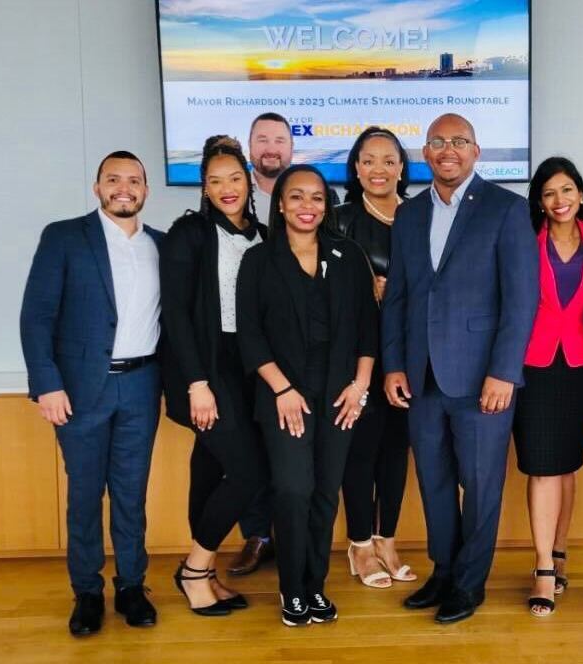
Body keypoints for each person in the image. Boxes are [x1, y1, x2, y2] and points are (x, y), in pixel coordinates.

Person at [382, 113, 539, 624]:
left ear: (476, 151)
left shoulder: (506, 209)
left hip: (481, 381)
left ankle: (470, 584)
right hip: (421, 376)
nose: (447, 150)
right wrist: (393, 365)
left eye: (458, 141)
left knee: (481, 484)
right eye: (437, 142)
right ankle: (443, 571)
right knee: (433, 480)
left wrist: (504, 372)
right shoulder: (407, 215)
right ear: (425, 153)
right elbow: (399, 298)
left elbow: (521, 300)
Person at [20, 151, 163, 636]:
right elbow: (36, 315)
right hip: (79, 390)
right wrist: (47, 383)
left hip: (142, 385)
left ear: (146, 190)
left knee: (130, 492)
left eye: (134, 181)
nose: (125, 188)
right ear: (97, 187)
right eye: (114, 180)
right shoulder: (64, 237)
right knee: (84, 493)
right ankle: (86, 591)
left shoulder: (162, 246)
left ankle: (130, 586)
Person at [236, 164, 378, 627]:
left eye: (317, 198)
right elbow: (250, 336)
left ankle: (315, 587)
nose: (307, 207)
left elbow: (367, 329)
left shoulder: (348, 255)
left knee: (324, 492)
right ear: (280, 204)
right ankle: (291, 588)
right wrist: (282, 389)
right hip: (284, 398)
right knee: (293, 489)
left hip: (340, 396)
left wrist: (360, 387)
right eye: (296, 197)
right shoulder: (259, 261)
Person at [160, 136, 271, 615]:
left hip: (250, 366)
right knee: (248, 470)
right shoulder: (190, 234)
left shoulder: (265, 233)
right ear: (203, 189)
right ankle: (194, 569)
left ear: (249, 181)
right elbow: (178, 314)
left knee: (212, 465)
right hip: (207, 367)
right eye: (214, 181)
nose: (226, 188)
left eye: (234, 178)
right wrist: (197, 382)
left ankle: (202, 571)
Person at [514, 157, 583, 617]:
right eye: (550, 193)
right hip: (533, 363)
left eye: (567, 190)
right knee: (541, 466)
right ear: (539, 200)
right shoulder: (524, 242)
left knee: (567, 464)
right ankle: (543, 567)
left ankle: (561, 548)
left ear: (581, 193)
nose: (559, 200)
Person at [334, 127, 415, 589]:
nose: (378, 169)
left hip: (409, 353)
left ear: (402, 167)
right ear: (356, 167)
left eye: (388, 160)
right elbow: (321, 287)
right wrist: (365, 293)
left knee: (395, 452)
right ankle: (360, 544)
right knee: (360, 453)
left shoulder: (421, 215)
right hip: (359, 356)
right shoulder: (340, 220)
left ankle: (388, 539)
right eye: (368, 160)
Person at [226, 112, 295, 576]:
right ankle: (257, 534)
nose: (271, 147)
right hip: (240, 350)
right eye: (262, 139)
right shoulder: (233, 202)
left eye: (280, 140)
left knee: (290, 448)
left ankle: (290, 535)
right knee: (247, 447)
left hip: (297, 353)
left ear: (292, 149)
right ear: (250, 147)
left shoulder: (309, 201)